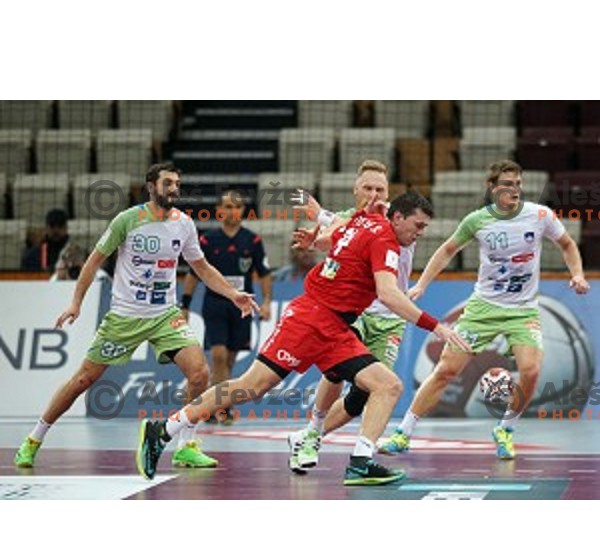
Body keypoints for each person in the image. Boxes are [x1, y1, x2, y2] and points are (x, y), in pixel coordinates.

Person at [136, 194, 472, 485]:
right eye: (418, 225)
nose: (420, 234)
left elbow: (331, 240)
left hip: (336, 328)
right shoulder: (385, 238)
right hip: (311, 319)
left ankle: (359, 462)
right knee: (249, 387)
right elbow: (387, 293)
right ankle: (163, 430)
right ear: (397, 217)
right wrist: (437, 327)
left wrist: (327, 233)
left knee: (387, 385)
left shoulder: (365, 220)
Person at [14, 162, 257, 470]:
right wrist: (76, 303)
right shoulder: (127, 220)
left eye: (177, 184)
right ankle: (33, 439)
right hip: (124, 317)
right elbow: (93, 261)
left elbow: (202, 268)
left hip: (164, 316)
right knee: (83, 379)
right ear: (151, 186)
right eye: (168, 183)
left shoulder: (183, 224)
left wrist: (233, 294)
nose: (174, 189)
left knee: (199, 374)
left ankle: (186, 445)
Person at [379, 159, 590, 459]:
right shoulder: (477, 220)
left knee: (530, 371)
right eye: (507, 184)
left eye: (518, 184)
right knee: (446, 370)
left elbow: (567, 245)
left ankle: (505, 428)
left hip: (523, 311)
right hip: (483, 309)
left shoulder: (540, 215)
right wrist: (422, 285)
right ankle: (403, 433)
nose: (514, 189)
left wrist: (578, 274)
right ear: (492, 188)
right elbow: (447, 250)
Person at [284, 160, 422, 474]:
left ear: (389, 193)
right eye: (368, 188)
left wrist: (422, 285)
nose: (374, 195)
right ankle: (348, 450)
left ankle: (309, 437)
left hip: (390, 318)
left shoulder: (398, 221)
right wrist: (313, 237)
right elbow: (323, 231)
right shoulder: (347, 220)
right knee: (336, 367)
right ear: (355, 190)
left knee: (367, 393)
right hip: (354, 310)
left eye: (380, 189)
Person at [179, 190, 272, 425]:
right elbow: (193, 274)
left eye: (238, 207)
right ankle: (222, 408)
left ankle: (215, 401)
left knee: (230, 358)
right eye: (229, 207)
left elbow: (264, 272)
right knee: (218, 355)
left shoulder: (253, 240)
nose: (234, 211)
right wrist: (185, 305)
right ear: (220, 211)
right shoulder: (208, 240)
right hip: (215, 303)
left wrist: (267, 301)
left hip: (241, 305)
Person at [22, 208, 70, 272]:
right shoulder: (32, 256)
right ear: (46, 227)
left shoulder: (74, 254)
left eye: (60, 226)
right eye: (52, 226)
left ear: (66, 228)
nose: (56, 230)